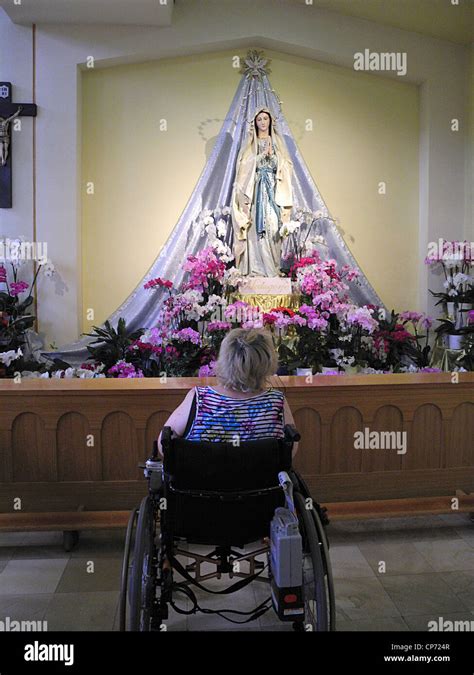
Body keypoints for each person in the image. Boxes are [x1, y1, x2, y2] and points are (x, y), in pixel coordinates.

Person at [157, 327, 298, 457]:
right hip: (263, 483)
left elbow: (164, 445)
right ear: (268, 362)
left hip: (202, 483)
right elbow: (290, 452)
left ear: (224, 359)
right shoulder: (277, 402)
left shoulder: (199, 399)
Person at [231, 106, 293, 277]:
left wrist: (273, 157)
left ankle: (273, 267)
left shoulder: (277, 143)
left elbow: (286, 167)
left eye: (265, 119)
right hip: (256, 190)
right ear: (255, 123)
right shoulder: (251, 145)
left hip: (273, 190)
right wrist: (260, 157)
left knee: (273, 225)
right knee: (255, 227)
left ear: (270, 121)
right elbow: (244, 168)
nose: (263, 122)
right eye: (259, 119)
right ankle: (257, 268)